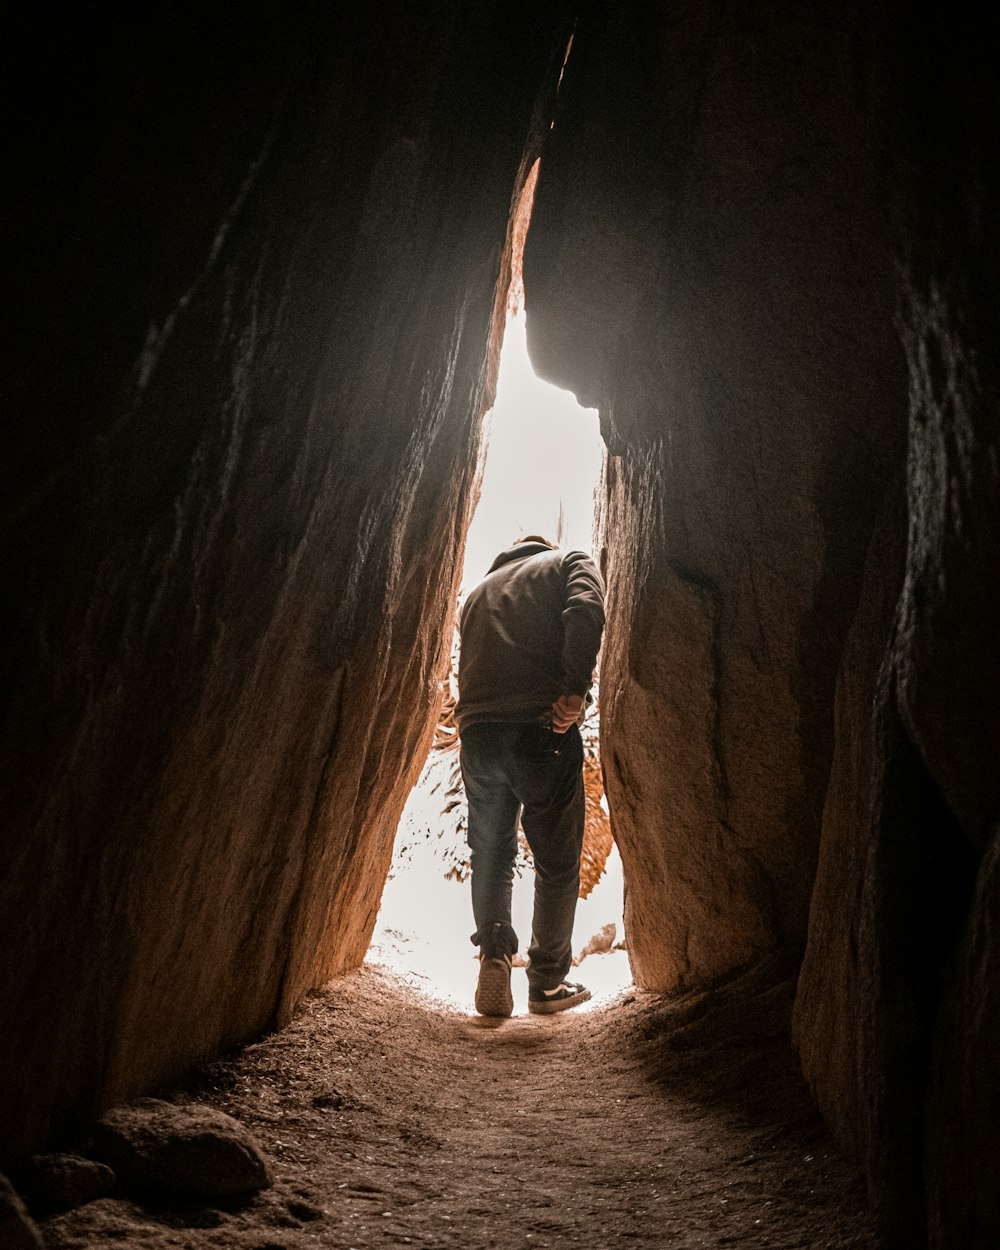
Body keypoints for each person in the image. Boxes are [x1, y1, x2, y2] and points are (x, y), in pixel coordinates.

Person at [455, 535, 606, 1017]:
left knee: (492, 850)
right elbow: (587, 606)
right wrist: (575, 688)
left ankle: (495, 953)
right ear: (544, 548)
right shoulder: (568, 561)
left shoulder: (477, 593)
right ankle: (545, 983)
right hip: (541, 728)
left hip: (478, 734)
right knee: (556, 859)